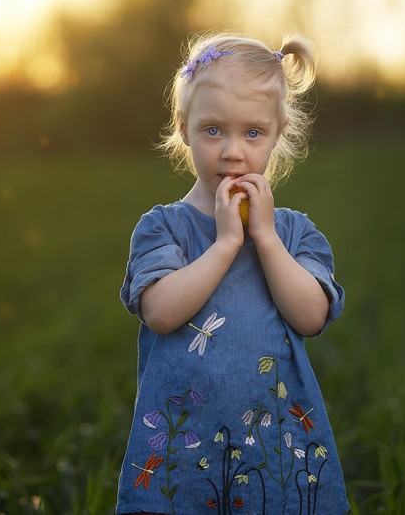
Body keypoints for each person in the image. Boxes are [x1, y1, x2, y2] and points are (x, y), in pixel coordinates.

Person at [116, 31, 349, 515]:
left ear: (277, 134)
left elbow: (311, 316)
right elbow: (159, 312)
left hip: (272, 435)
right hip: (187, 436)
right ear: (184, 127)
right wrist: (225, 244)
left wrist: (264, 238)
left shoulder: (293, 233)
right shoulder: (164, 228)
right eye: (213, 130)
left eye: (253, 133)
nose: (232, 151)